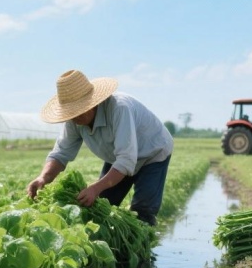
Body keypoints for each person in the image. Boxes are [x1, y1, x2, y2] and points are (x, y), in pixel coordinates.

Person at [26, 69, 173, 226]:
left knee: (143, 212)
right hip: (118, 156)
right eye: (71, 113)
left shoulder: (119, 108)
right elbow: (61, 153)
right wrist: (43, 178)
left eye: (78, 110)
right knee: (103, 205)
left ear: (92, 103)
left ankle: (144, 246)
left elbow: (126, 160)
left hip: (152, 153)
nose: (74, 117)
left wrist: (96, 188)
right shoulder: (74, 120)